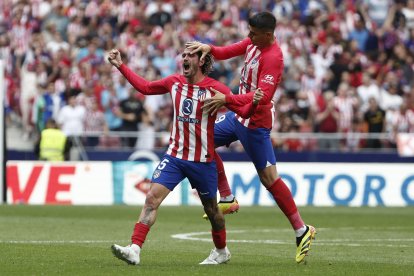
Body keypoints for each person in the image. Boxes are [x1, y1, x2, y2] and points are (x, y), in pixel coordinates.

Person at [107, 46, 263, 265]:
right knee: (152, 198)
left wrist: (254, 102)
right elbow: (145, 87)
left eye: (191, 55)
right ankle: (135, 248)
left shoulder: (216, 89)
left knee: (212, 212)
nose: (185, 58)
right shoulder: (174, 82)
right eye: (184, 55)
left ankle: (221, 251)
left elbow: (244, 113)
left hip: (202, 161)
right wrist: (120, 66)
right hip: (175, 157)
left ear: (201, 61)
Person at [187, 11, 315, 263]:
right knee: (203, 139)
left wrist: (228, 99)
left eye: (253, 33)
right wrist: (208, 48)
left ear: (268, 35)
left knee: (269, 179)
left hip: (255, 122)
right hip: (237, 115)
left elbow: (263, 97)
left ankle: (302, 230)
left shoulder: (273, 57)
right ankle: (227, 197)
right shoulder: (254, 42)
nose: (248, 36)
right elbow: (227, 51)